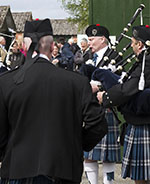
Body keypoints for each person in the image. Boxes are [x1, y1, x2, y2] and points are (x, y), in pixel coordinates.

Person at [0, 18, 108, 184]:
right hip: (63, 169)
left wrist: (10, 153)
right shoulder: (77, 82)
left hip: (17, 169)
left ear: (25, 46)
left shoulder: (6, 82)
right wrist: (74, 144)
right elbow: (98, 124)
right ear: (52, 46)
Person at [97, 25, 150, 184]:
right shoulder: (143, 60)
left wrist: (105, 97)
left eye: (133, 43)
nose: (132, 47)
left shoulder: (146, 62)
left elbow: (128, 90)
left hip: (143, 123)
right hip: (142, 121)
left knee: (142, 178)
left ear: (140, 45)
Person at [83, 24, 121, 184]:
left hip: (106, 107)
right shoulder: (87, 57)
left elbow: (119, 83)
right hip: (89, 108)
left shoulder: (116, 57)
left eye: (92, 40)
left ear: (102, 39)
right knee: (89, 155)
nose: (89, 43)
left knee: (107, 156)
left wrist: (99, 87)